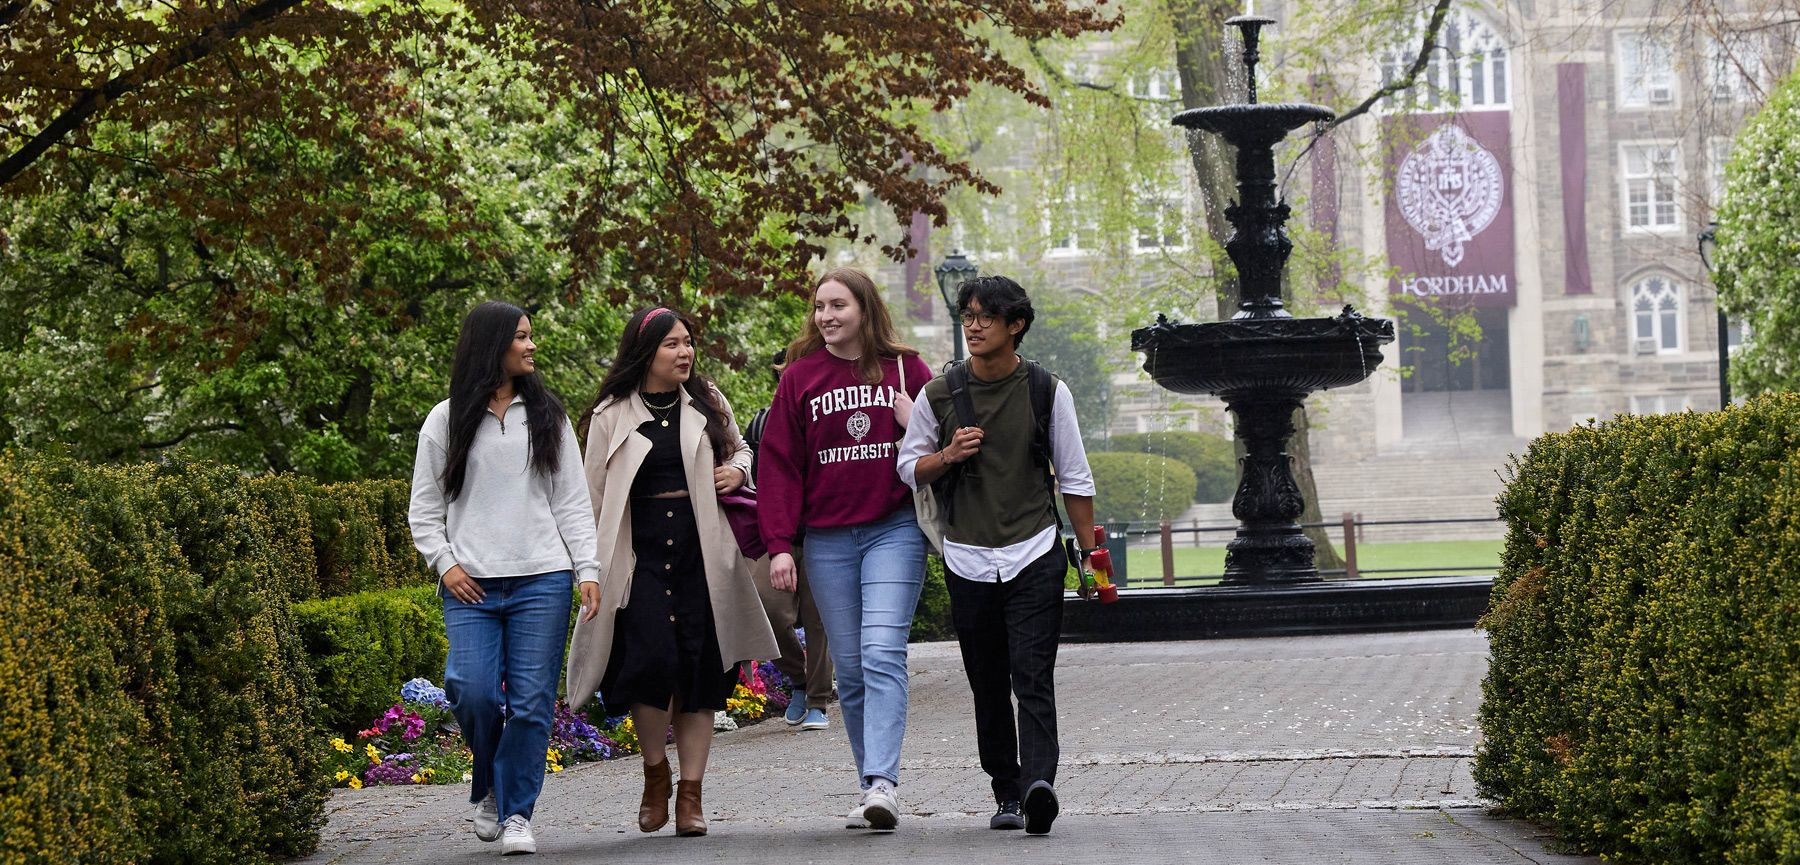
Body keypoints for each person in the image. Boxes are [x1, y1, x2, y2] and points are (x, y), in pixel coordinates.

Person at [564, 307, 777, 838]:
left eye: (688, 343)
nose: (684, 352)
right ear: (646, 352)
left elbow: (742, 446)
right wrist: (588, 568)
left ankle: (691, 794)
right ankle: (655, 772)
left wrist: (739, 470)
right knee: (649, 662)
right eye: (672, 345)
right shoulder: (611, 412)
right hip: (637, 557)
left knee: (702, 670)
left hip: (701, 550)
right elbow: (590, 496)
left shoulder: (706, 400)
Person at [897, 275, 1097, 837]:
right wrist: (948, 454)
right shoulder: (940, 395)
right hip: (967, 557)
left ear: (1017, 325)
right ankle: (1005, 790)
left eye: (987, 316)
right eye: (968, 315)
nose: (974, 325)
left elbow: (1075, 481)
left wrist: (1091, 557)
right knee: (987, 682)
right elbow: (909, 468)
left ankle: (1039, 786)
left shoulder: (1047, 392)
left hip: (1035, 551)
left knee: (1032, 676)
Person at [408, 301, 600, 856]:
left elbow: (571, 502)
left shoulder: (549, 417)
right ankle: (490, 779)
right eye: (521, 337)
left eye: (530, 336)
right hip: (470, 586)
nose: (531, 346)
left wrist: (586, 567)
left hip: (542, 579)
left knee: (533, 702)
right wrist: (446, 564)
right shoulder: (445, 420)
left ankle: (516, 812)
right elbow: (424, 508)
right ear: (493, 345)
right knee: (469, 691)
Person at [757, 267, 933, 831]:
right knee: (851, 669)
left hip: (894, 528)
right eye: (819, 307)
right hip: (828, 540)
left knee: (882, 652)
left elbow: (949, 445)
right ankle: (870, 784)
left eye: (838, 305)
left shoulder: (907, 369)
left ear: (864, 309)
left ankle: (884, 781)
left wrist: (916, 424)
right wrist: (780, 545)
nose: (826, 316)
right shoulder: (800, 378)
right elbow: (779, 466)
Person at [744, 348, 834, 731]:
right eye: (784, 374)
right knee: (762, 608)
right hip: (774, 533)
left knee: (819, 620)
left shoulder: (829, 416)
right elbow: (751, 471)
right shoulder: (762, 423)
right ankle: (798, 678)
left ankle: (817, 699)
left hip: (822, 532)